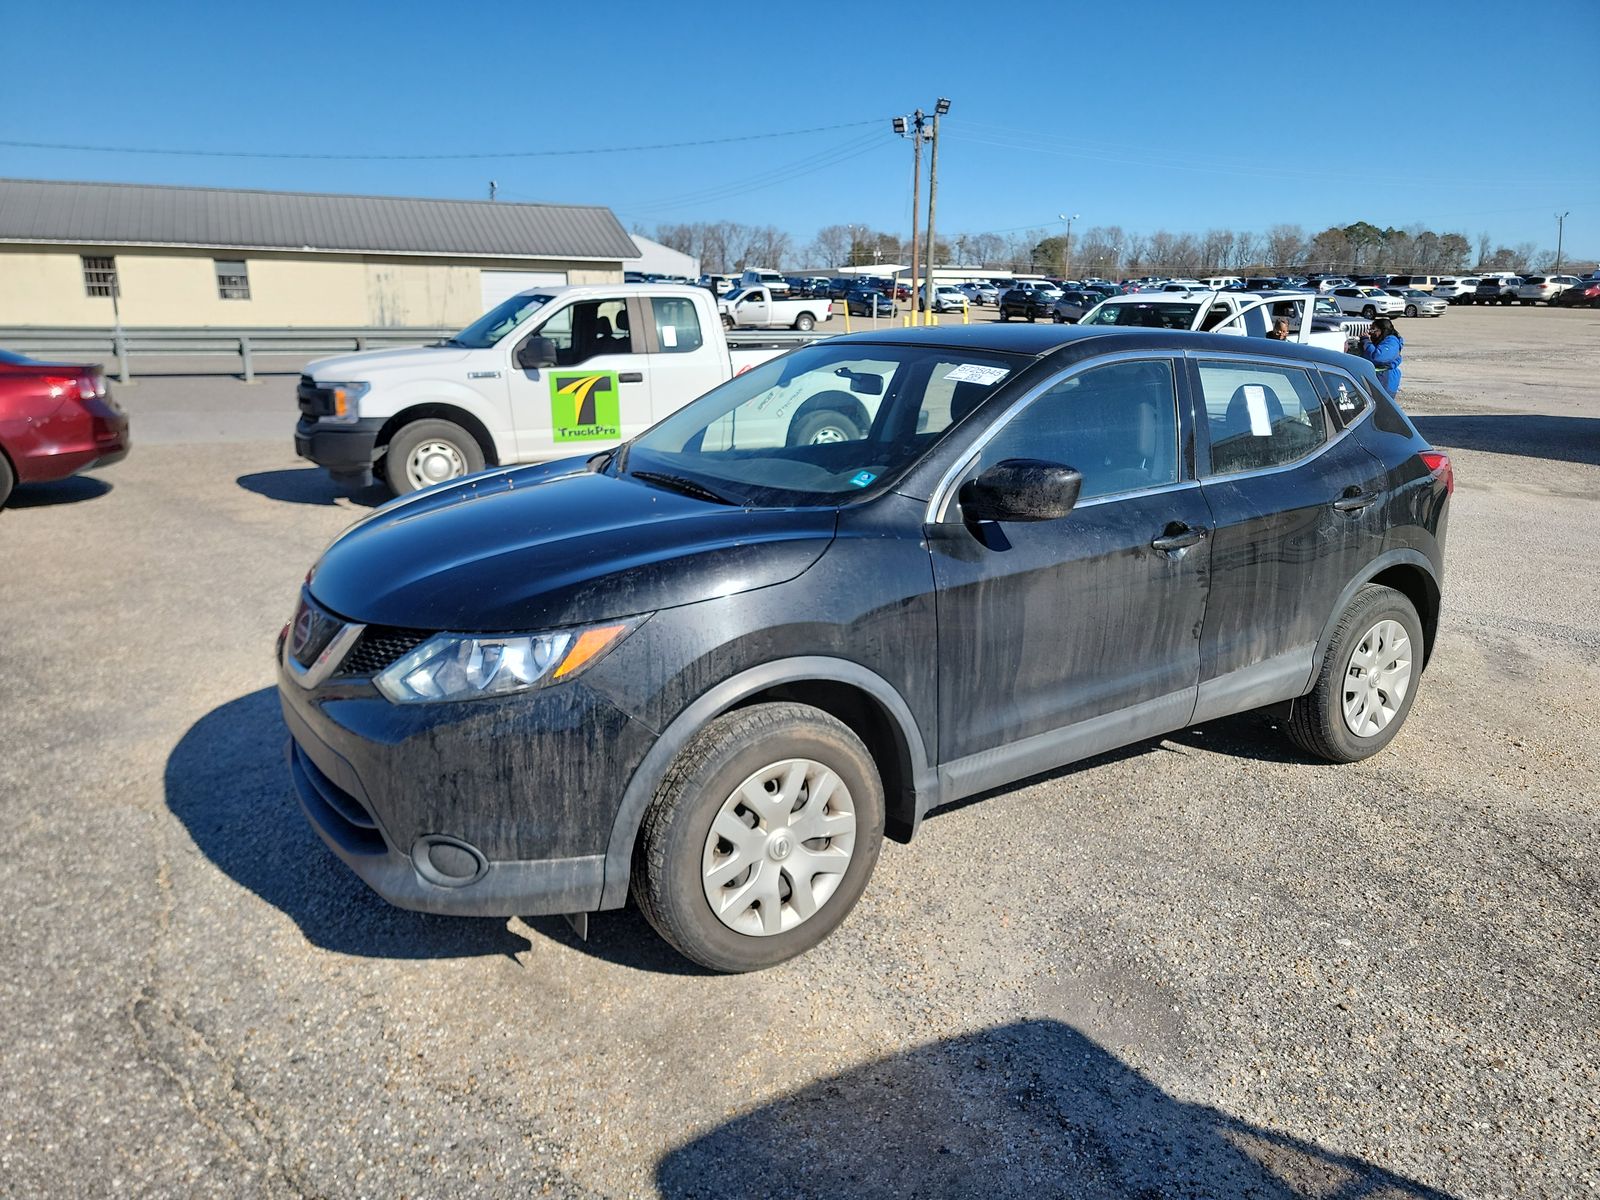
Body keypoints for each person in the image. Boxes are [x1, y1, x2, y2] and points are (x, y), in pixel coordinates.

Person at [1359, 317, 1404, 394]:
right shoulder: (1380, 341)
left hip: (1386, 379)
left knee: (1382, 404)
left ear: (1382, 330)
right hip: (1378, 377)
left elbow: (1378, 357)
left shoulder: (1391, 342)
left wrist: (1366, 341)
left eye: (1373, 329)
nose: (1370, 332)